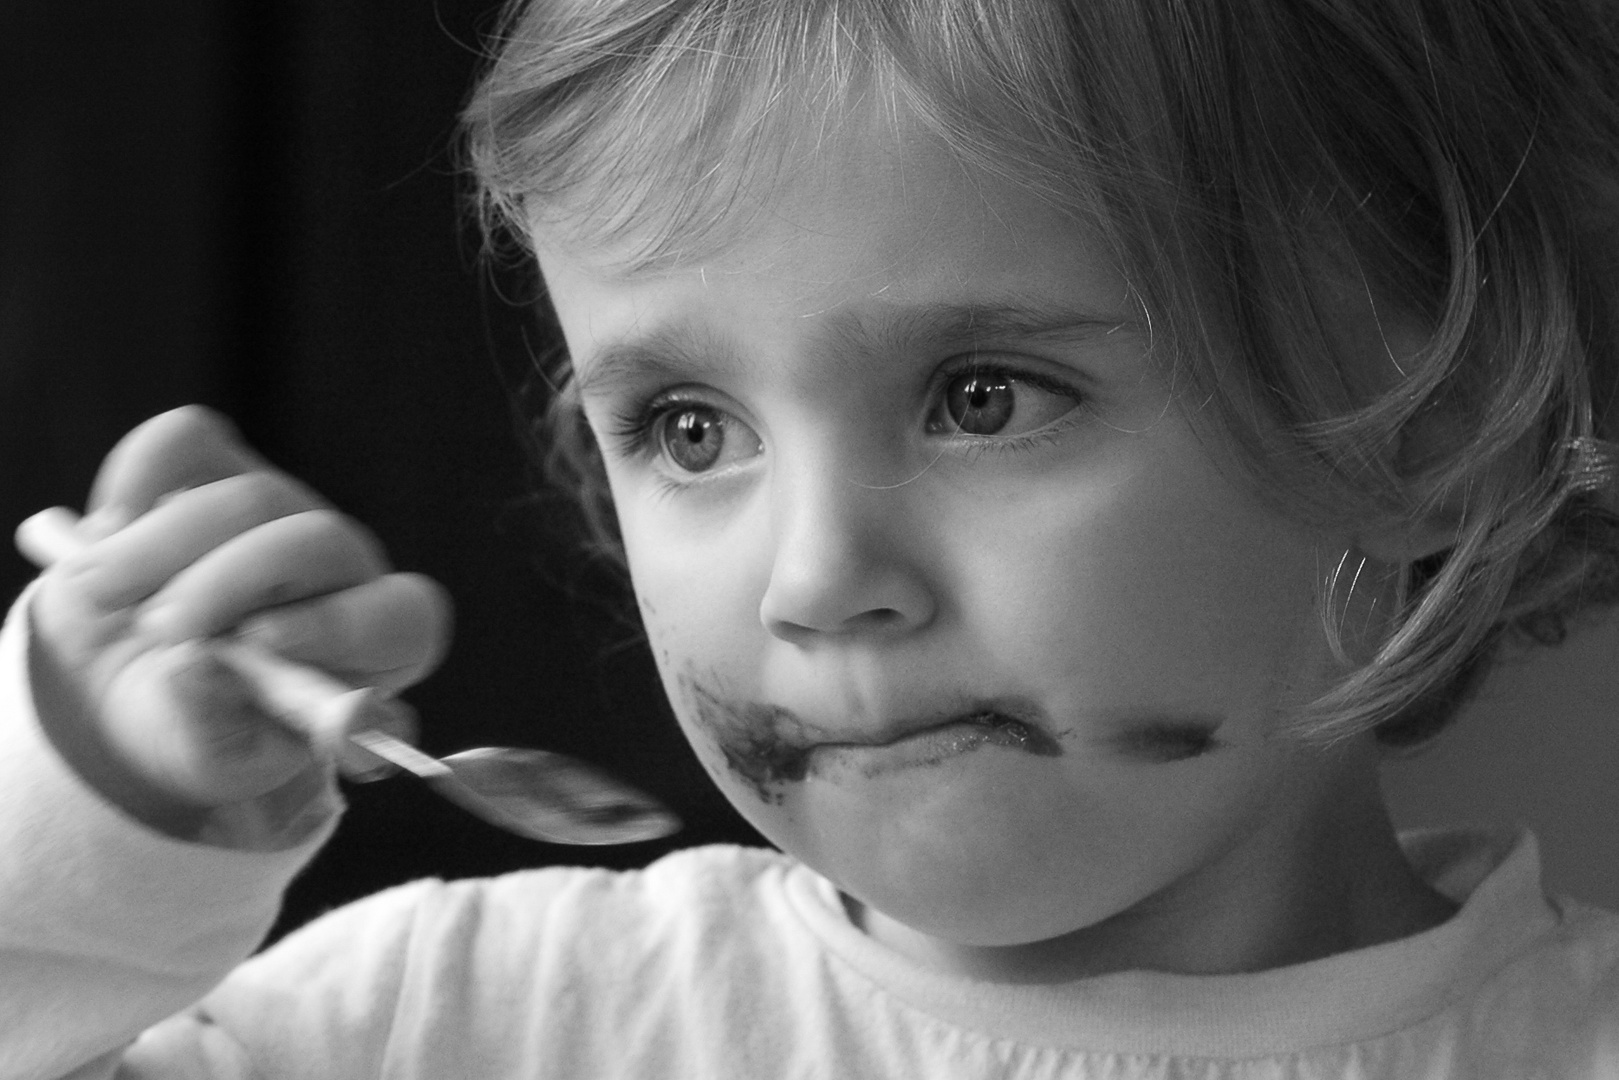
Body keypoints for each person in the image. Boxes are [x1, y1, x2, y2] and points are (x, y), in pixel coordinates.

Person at [5, 0, 1619, 1075]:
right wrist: (91, 829)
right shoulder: (469, 1020)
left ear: (1430, 421)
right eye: (691, 433)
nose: (817, 579)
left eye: (983, 398)